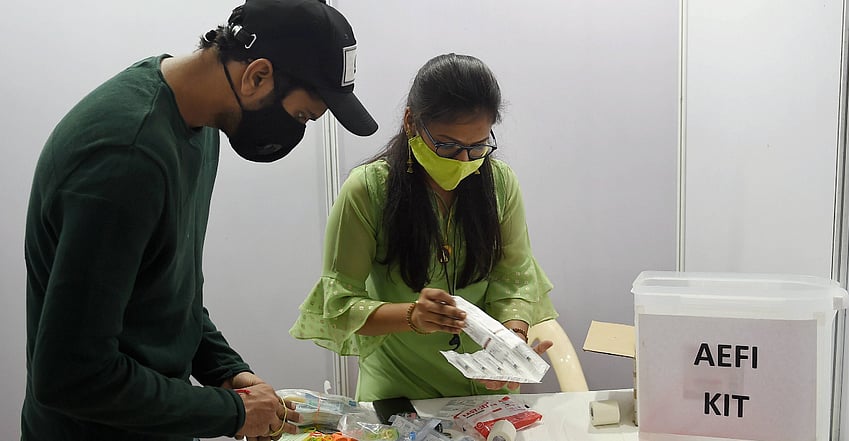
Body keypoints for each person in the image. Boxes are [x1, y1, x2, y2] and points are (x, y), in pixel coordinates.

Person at [21, 0, 376, 440]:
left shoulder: (199, 123)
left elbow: (167, 290)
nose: (297, 130)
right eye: (302, 115)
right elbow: (70, 375)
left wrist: (225, 371)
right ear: (257, 76)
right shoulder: (127, 157)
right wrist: (232, 413)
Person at [290, 53, 556, 401]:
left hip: (488, 388)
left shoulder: (500, 184)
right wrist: (413, 315)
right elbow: (339, 307)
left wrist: (512, 343)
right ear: (410, 122)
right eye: (448, 146)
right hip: (400, 390)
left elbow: (514, 279)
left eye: (477, 147)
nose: (464, 160)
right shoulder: (368, 191)